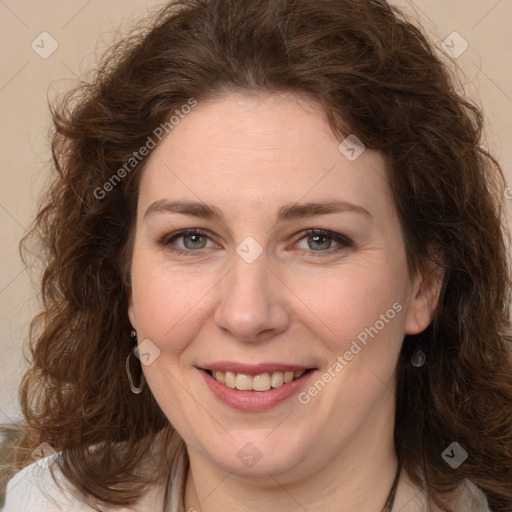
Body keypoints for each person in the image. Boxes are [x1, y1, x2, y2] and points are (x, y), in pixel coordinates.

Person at [3, 0, 512, 510]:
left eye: (319, 239)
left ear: (423, 283)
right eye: (191, 239)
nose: (247, 314)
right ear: (127, 282)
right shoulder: (42, 501)